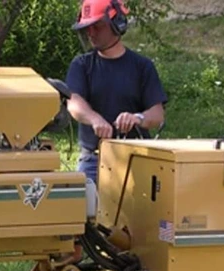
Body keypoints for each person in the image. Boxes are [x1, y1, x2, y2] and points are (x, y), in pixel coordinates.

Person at [65, 0, 168, 184]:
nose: (91, 33)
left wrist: (138, 118)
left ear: (117, 24)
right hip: (93, 160)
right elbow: (74, 103)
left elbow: (157, 114)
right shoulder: (81, 65)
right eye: (87, 28)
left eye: (97, 26)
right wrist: (94, 119)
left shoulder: (142, 66)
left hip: (136, 157)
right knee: (82, 208)